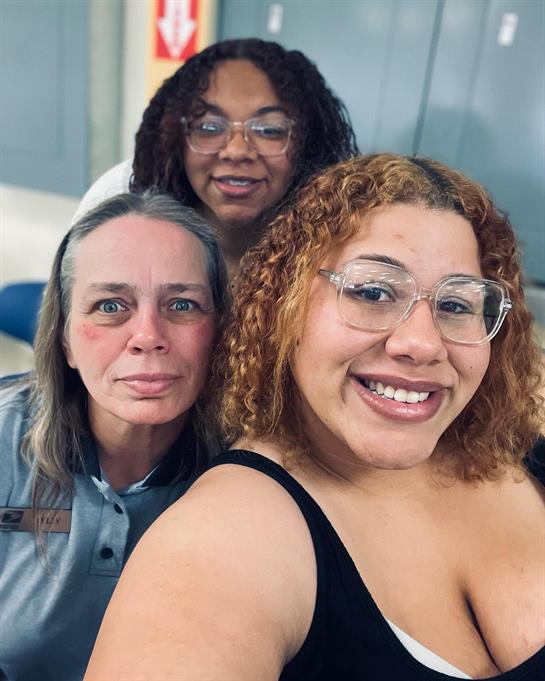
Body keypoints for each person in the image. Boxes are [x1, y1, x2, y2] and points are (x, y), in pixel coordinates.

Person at [86, 154, 544, 680]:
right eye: (372, 292)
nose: (423, 344)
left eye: (457, 305)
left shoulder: (515, 443)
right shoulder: (226, 542)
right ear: (287, 305)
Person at [0, 191, 229, 681]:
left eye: (182, 304)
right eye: (110, 305)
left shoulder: (256, 471)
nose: (148, 335)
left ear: (220, 332)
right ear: (64, 338)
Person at [73, 37, 358, 278]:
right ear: (175, 138)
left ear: (308, 144)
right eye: (209, 127)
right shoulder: (119, 201)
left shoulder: (340, 253)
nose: (236, 151)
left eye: (269, 130)